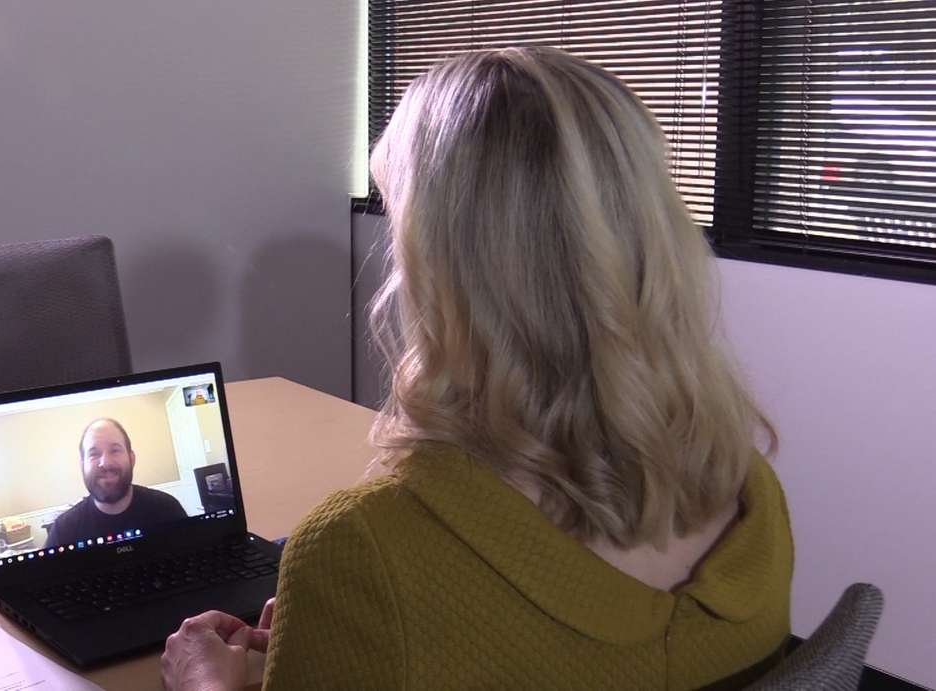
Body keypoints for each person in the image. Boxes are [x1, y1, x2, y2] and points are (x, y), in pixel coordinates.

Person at [161, 46, 793, 690]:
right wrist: (331, 634)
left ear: (441, 266)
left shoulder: (362, 552)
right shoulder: (752, 491)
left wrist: (205, 683)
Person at [45, 418, 186, 548]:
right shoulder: (63, 531)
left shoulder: (168, 509)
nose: (105, 463)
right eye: (94, 454)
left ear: (131, 459)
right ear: (82, 465)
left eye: (115, 450)